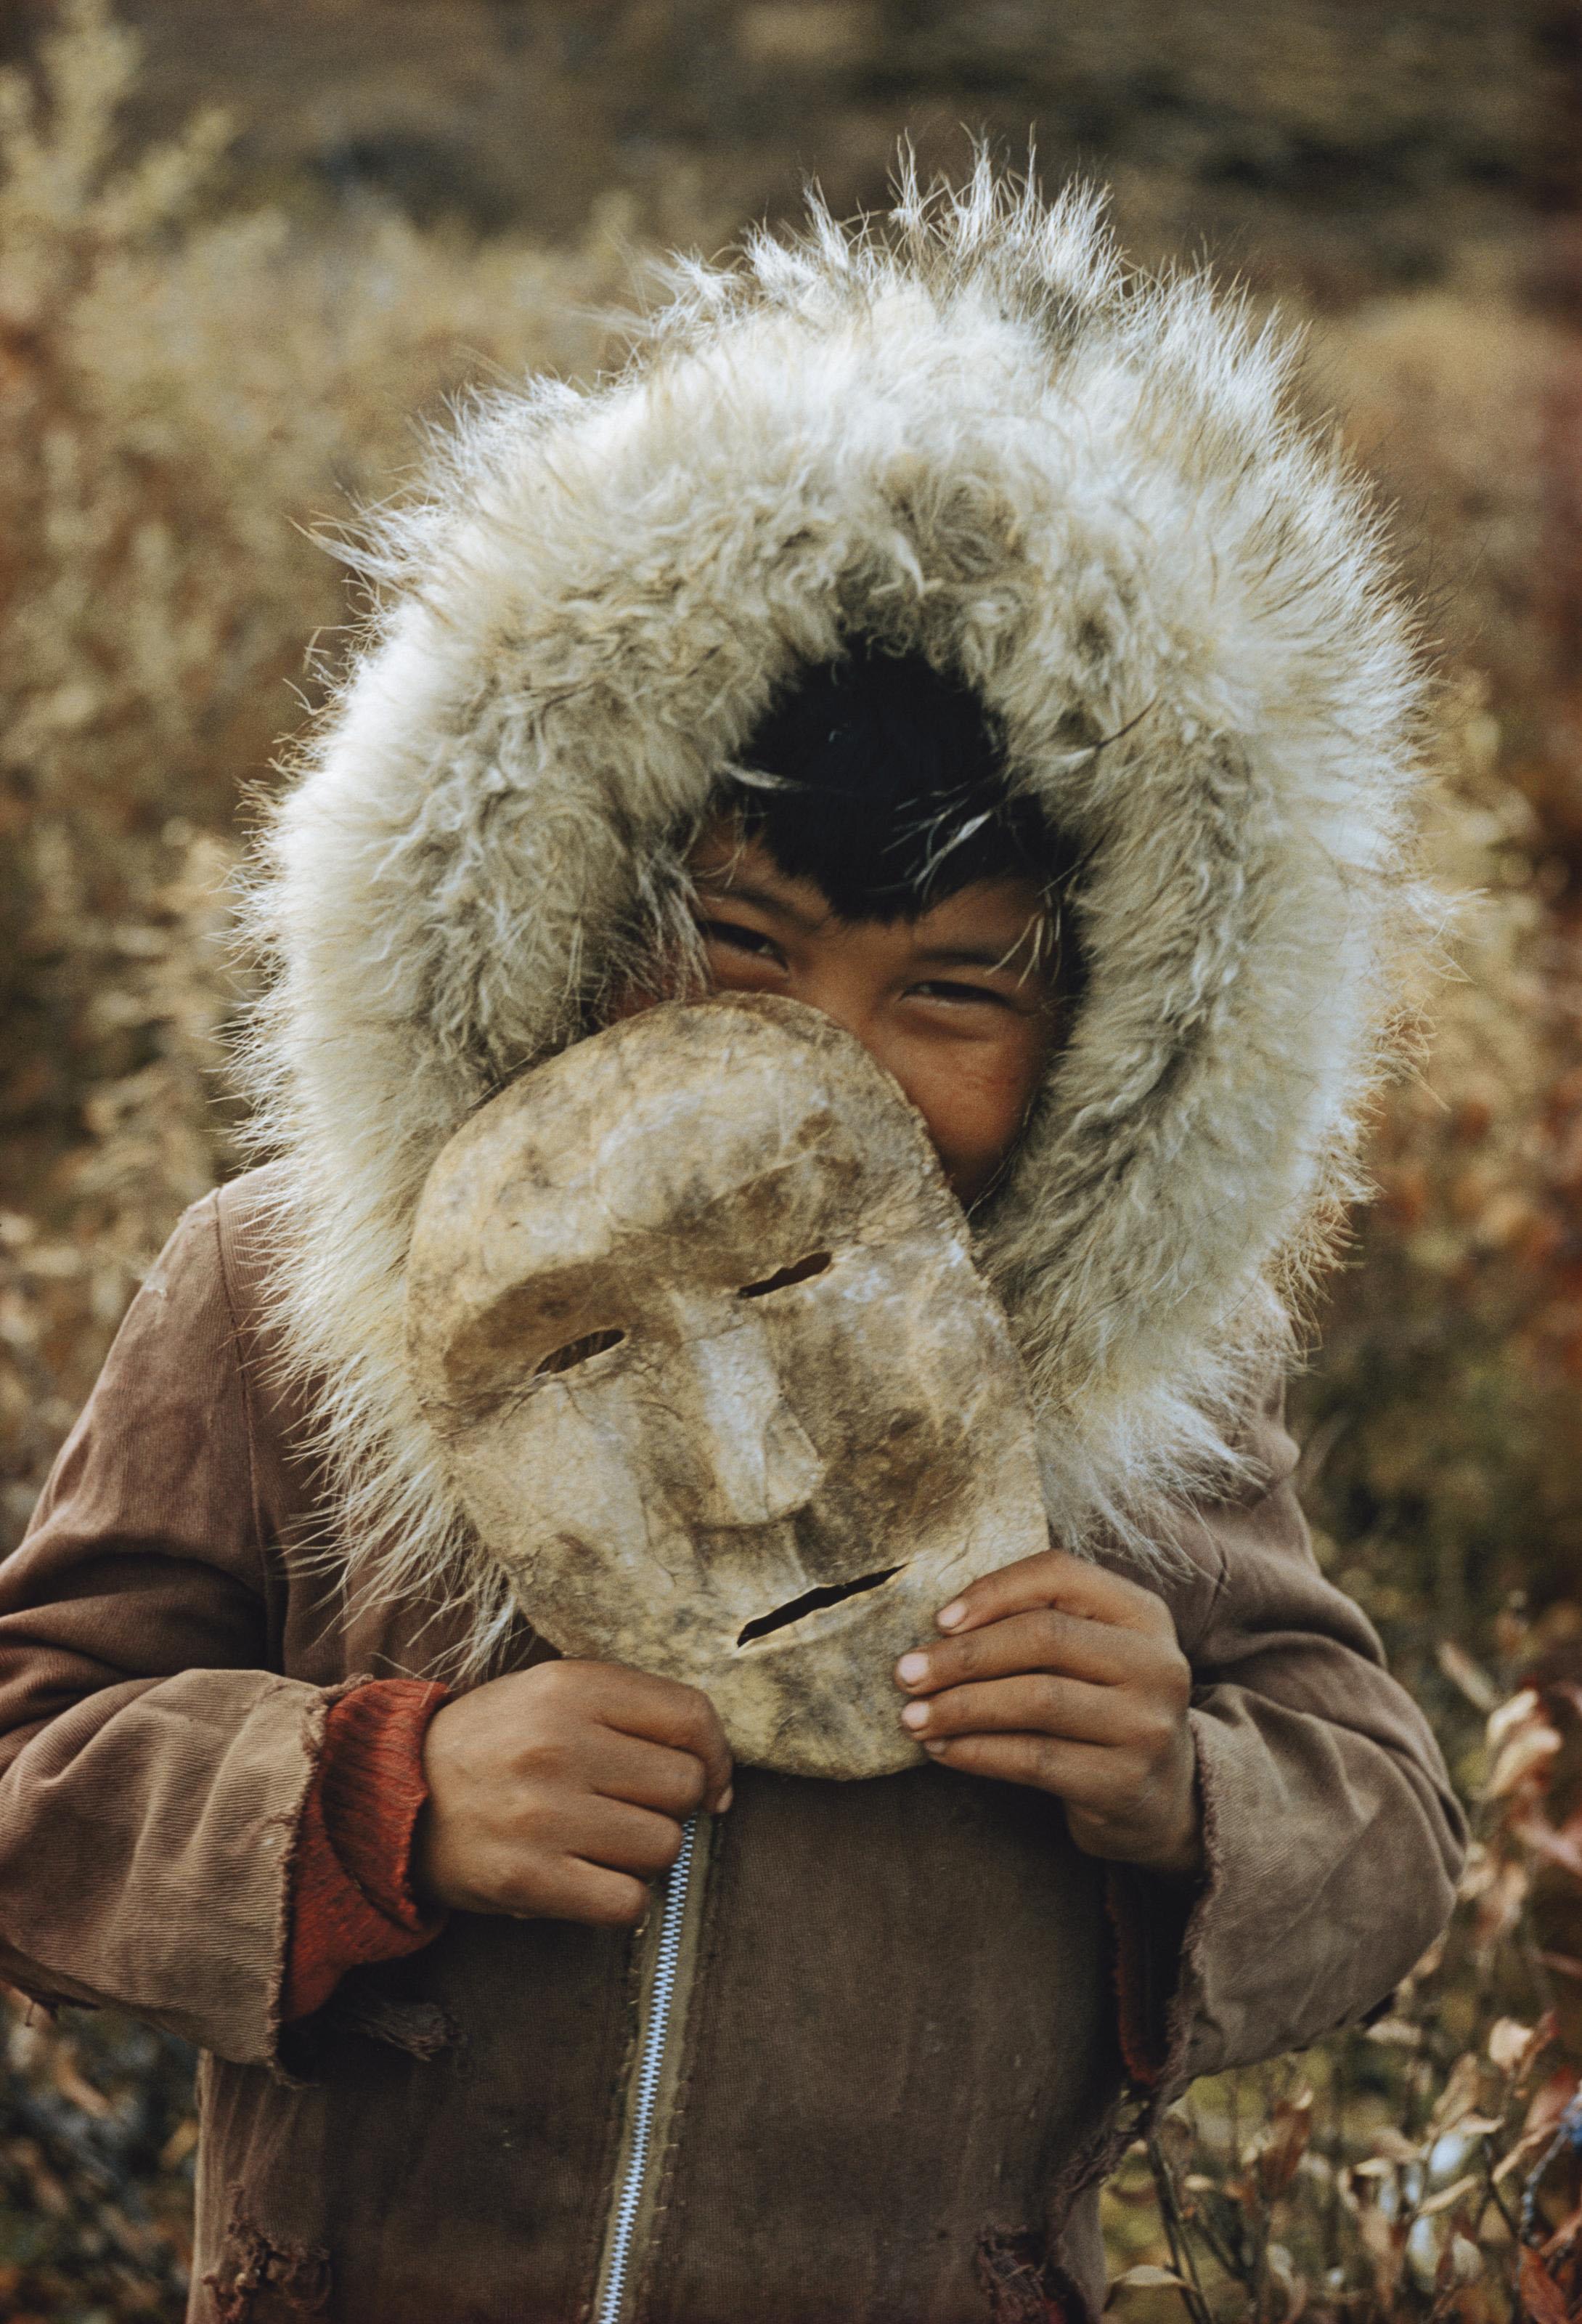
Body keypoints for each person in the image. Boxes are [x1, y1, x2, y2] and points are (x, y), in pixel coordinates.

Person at [0, 168, 1463, 2324]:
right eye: (735, 945)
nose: (819, 1069)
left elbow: (1380, 1825)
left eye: (950, 993)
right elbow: (37, 1747)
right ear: (569, 905)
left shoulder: (1122, 1377)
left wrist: (1179, 1795)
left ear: (1113, 1039)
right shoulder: (291, 1288)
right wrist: (362, 1803)